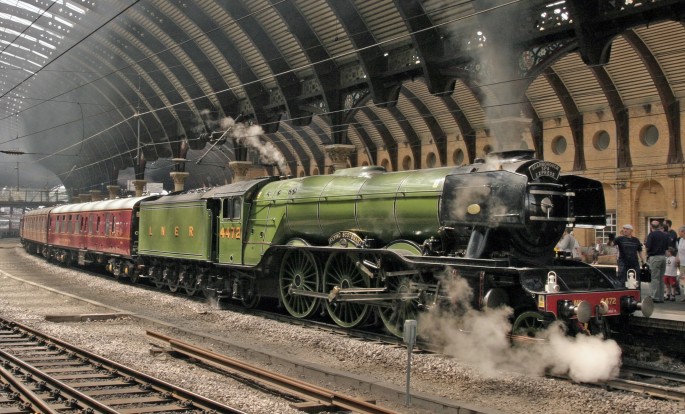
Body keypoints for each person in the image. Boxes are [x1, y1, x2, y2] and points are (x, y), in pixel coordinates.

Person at [645, 220, 670, 303]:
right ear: (659, 226)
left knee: (654, 278)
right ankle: (661, 297)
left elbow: (648, 246)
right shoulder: (665, 235)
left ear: (651, 227)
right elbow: (667, 248)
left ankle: (655, 296)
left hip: (654, 257)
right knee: (661, 278)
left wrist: (647, 255)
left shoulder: (651, 235)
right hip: (663, 257)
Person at [677, 226, 685, 301]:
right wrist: (677, 258)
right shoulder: (681, 240)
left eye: (679, 231)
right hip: (682, 263)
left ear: (683, 232)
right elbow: (679, 251)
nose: (678, 233)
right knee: (683, 280)